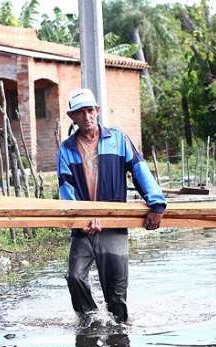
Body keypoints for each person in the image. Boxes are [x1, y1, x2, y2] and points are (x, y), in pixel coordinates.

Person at [56, 88, 166, 325]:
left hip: (114, 225)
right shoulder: (66, 149)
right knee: (75, 277)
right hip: (83, 227)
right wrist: (81, 220)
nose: (87, 116)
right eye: (80, 112)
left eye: (90, 110)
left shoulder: (117, 139)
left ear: (97, 110)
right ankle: (91, 321)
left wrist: (156, 205)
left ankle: (119, 332)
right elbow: (66, 188)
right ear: (71, 116)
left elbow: (139, 171)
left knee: (116, 293)